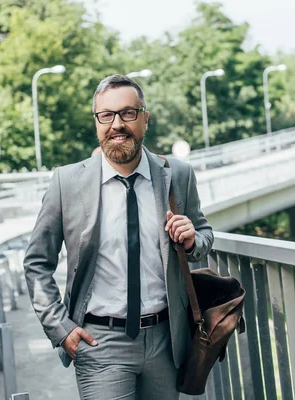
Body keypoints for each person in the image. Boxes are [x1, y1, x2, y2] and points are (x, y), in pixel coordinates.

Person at [24, 74, 214, 399]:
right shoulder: (66, 183)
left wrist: (194, 239)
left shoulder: (178, 175)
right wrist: (60, 328)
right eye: (106, 115)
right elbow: (37, 262)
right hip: (99, 343)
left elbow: (205, 235)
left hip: (167, 341)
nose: (117, 124)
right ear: (96, 122)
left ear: (145, 119)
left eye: (128, 113)